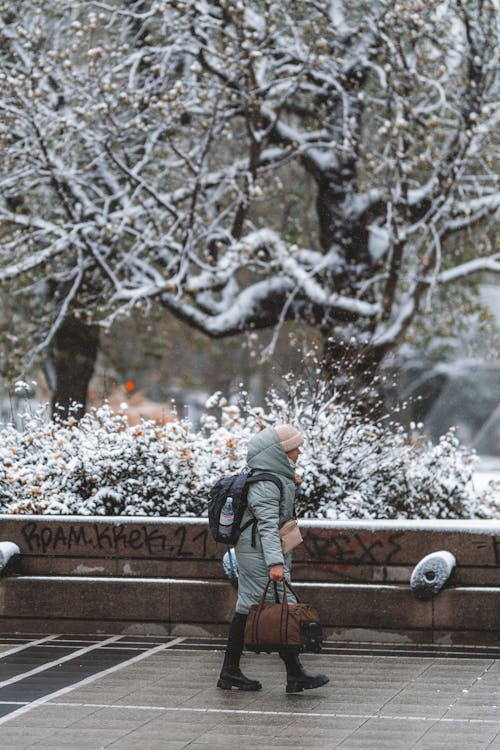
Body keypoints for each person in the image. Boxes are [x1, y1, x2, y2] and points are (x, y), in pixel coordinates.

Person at [217, 423, 329, 694]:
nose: (299, 451)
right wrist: (275, 564)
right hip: (259, 552)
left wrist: (293, 486)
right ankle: (293, 674)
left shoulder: (274, 477)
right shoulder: (266, 483)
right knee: (278, 606)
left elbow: (277, 514)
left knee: (252, 607)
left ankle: (232, 672)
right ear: (280, 453)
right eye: (294, 448)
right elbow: (267, 525)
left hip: (260, 549)